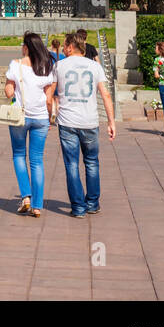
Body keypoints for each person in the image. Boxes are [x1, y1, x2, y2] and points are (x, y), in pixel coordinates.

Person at [53, 31, 116, 217]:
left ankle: (78, 207)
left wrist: (50, 114)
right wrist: (111, 121)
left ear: (71, 47)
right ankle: (92, 203)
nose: (63, 49)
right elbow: (106, 94)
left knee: (71, 164)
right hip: (90, 121)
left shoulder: (59, 66)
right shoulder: (95, 66)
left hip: (67, 122)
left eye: (65, 45)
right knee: (92, 162)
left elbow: (50, 93)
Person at [4, 32, 57, 218]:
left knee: (19, 155)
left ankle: (26, 196)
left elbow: (9, 92)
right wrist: (49, 118)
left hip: (20, 117)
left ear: (26, 47)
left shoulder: (16, 65)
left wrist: (11, 90)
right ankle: (37, 206)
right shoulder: (47, 66)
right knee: (37, 160)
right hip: (41, 118)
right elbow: (49, 99)